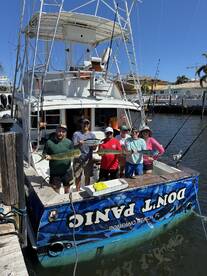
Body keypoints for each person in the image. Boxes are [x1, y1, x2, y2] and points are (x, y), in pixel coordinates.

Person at [43, 124, 74, 193]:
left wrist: (75, 155)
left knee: (67, 190)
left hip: (67, 172)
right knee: (56, 192)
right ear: (56, 131)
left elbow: (72, 153)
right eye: (59, 131)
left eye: (63, 132)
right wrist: (46, 156)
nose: (61, 133)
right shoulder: (49, 142)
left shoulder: (69, 142)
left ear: (65, 133)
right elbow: (44, 153)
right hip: (55, 173)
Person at [72, 118, 96, 191]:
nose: (85, 125)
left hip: (88, 159)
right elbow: (73, 146)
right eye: (84, 123)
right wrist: (79, 144)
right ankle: (77, 190)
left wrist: (95, 146)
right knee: (78, 176)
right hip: (78, 159)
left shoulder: (92, 135)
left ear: (89, 125)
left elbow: (94, 148)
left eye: (87, 123)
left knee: (87, 176)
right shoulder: (76, 134)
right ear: (81, 124)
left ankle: (86, 190)